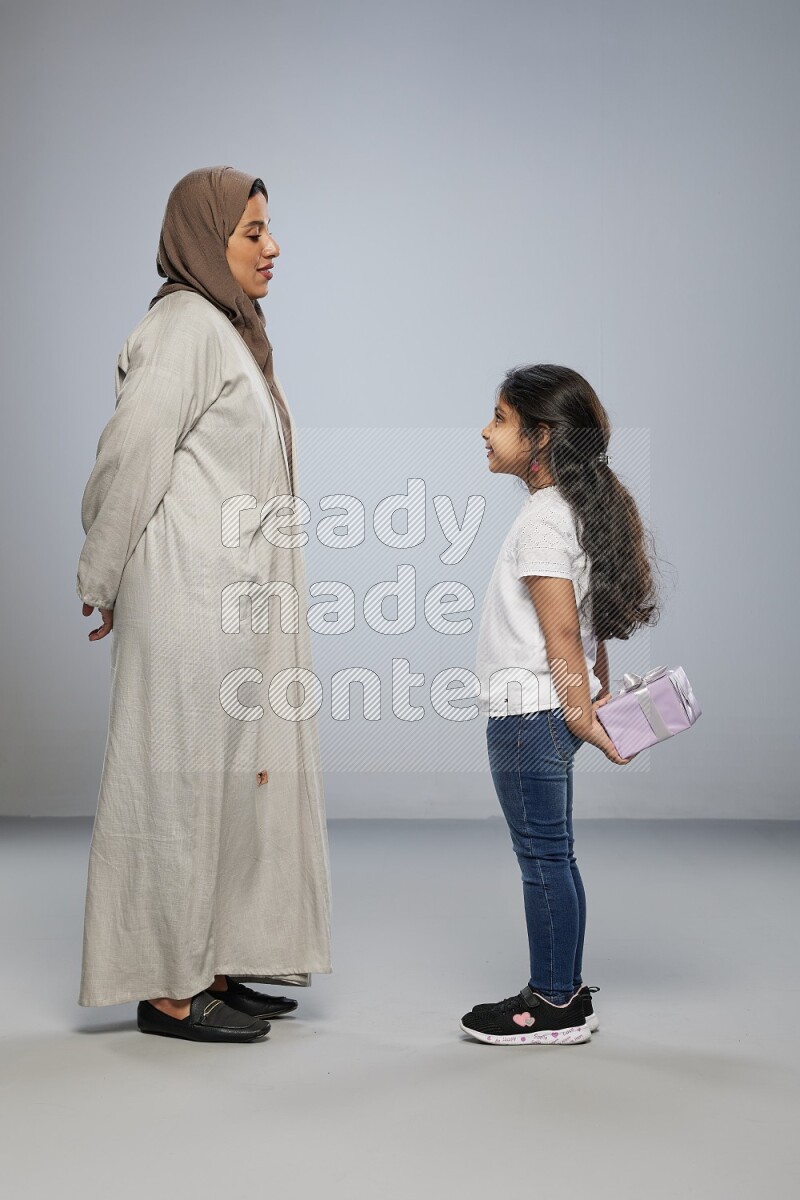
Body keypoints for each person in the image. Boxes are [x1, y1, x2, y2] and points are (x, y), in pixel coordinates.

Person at [76, 166, 332, 1043]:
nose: (272, 248)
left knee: (232, 783)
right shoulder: (183, 327)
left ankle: (212, 962)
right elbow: (130, 457)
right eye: (252, 231)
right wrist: (99, 576)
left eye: (269, 231)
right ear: (205, 237)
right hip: (187, 598)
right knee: (178, 784)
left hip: (236, 606)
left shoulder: (231, 333)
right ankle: (167, 989)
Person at [460, 364, 661, 1046]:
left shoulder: (543, 521)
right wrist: (594, 694)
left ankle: (554, 1004)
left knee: (543, 859)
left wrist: (581, 714)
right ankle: (563, 993)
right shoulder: (572, 510)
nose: (486, 432)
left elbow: (563, 633)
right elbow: (588, 625)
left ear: (540, 437)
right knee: (554, 856)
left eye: (499, 418)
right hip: (546, 714)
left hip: (527, 717)